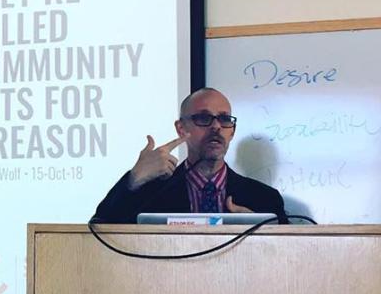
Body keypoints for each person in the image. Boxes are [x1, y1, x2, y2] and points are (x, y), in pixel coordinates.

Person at [92, 87, 287, 223]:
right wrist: (134, 178)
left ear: (232, 131)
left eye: (224, 119)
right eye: (204, 118)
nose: (216, 126)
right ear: (181, 128)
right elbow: (99, 227)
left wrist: (259, 234)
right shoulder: (150, 193)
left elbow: (285, 259)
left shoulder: (264, 200)